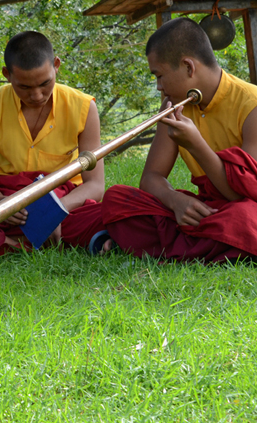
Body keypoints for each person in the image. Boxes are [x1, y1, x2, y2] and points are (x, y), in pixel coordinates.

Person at [94, 18, 257, 262]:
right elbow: (151, 177)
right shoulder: (174, 106)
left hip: (244, 207)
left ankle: (166, 246)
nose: (159, 87)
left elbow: (242, 194)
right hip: (206, 211)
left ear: (189, 67)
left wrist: (196, 145)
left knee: (243, 218)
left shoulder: (251, 105)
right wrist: (176, 201)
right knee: (117, 198)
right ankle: (209, 246)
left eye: (159, 76)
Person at [0, 31, 105, 255]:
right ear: (7, 75)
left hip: (63, 201)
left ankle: (13, 243)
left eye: (45, 84)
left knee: (111, 214)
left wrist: (54, 212)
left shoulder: (83, 107)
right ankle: (25, 244)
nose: (37, 95)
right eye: (24, 87)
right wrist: (5, 206)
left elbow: (95, 185)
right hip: (10, 201)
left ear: (56, 66)